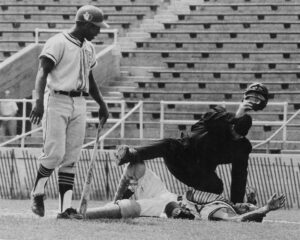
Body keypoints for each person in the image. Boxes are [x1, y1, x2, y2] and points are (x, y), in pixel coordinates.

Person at [114, 83, 269, 204]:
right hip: (181, 155)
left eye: (237, 135)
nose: (233, 136)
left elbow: (239, 175)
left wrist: (236, 203)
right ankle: (131, 154)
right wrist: (236, 116)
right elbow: (210, 119)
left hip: (199, 172)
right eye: (233, 130)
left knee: (216, 187)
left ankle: (189, 202)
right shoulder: (218, 118)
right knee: (169, 144)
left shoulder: (242, 146)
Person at [29, 5, 109, 219]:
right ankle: (37, 192)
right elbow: (42, 71)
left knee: (71, 157)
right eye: (95, 27)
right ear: (84, 22)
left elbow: (90, 79)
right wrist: (37, 101)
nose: (98, 31)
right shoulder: (58, 42)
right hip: (56, 99)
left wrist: (101, 103)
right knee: (54, 153)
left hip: (79, 102)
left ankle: (65, 209)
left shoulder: (89, 47)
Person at [85, 161, 285, 222]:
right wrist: (254, 202)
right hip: (168, 194)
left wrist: (265, 209)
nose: (244, 204)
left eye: (247, 207)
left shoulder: (222, 211)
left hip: (168, 205)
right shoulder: (225, 202)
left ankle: (81, 215)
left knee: (130, 207)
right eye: (247, 204)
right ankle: (113, 202)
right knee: (136, 165)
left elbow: (238, 220)